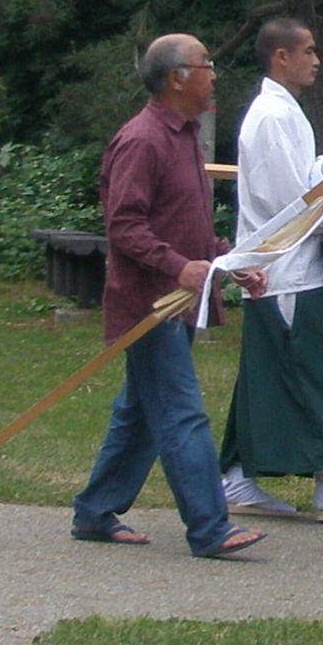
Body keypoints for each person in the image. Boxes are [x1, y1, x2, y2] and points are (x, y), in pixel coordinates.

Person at [70, 34, 269, 558]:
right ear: (177, 76)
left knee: (141, 411)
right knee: (181, 413)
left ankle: (95, 510)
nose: (214, 74)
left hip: (177, 301)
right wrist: (177, 266)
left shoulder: (184, 136)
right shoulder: (142, 140)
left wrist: (231, 263)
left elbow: (187, 223)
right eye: (207, 64)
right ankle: (210, 527)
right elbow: (124, 226)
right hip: (148, 305)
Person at [221, 17, 323, 519]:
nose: (316, 60)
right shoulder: (272, 117)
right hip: (286, 270)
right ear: (282, 57)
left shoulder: (284, 113)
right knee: (320, 371)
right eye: (308, 51)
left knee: (266, 375)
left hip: (289, 267)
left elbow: (304, 182)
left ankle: (235, 475)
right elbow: (292, 203)